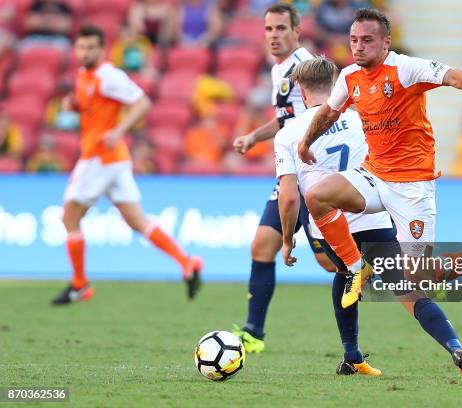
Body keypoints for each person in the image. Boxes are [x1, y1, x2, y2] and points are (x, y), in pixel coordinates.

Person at [298, 8, 462, 378]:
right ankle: (356, 267)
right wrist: (307, 143)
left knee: (414, 285)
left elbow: (452, 76)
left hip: (412, 189)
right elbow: (328, 111)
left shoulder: (406, 69)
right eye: (353, 40)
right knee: (318, 195)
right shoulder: (350, 76)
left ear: (385, 42)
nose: (358, 46)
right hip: (373, 175)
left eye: (367, 40)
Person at [51, 25, 202, 306]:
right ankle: (187, 262)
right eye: (80, 47)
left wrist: (119, 130)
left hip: (99, 157)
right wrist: (74, 106)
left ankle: (80, 284)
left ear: (102, 49)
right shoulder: (85, 75)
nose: (84, 52)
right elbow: (95, 108)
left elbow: (142, 103)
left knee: (69, 218)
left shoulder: (109, 75)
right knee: (138, 222)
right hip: (116, 161)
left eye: (90, 48)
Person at [275, 57, 393, 376]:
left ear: (301, 90)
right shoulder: (360, 119)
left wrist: (287, 241)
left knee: (342, 269)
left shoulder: (288, 134)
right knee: (410, 280)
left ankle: (351, 352)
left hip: (328, 223)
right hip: (369, 212)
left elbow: (288, 198)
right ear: (337, 84)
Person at [231, 3, 337, 353]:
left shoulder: (306, 68)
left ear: (297, 31)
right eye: (268, 29)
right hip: (291, 172)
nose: (273, 36)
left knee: (328, 262)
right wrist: (252, 137)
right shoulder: (281, 70)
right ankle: (253, 332)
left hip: (314, 173)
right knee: (263, 244)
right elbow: (286, 120)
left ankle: (401, 274)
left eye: (280, 29)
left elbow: (323, 114)